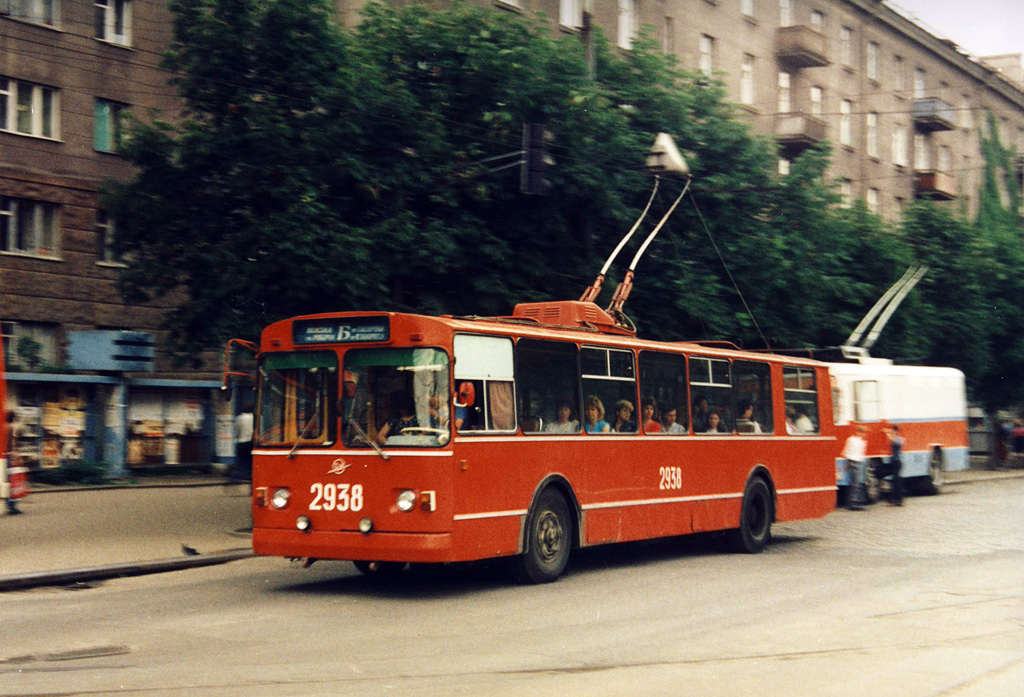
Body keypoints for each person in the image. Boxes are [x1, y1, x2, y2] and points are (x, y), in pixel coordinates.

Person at [841, 426, 868, 510]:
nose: (863, 434)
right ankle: (853, 503)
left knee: (856, 483)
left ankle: (853, 502)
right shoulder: (854, 440)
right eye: (862, 432)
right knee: (857, 483)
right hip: (855, 461)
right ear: (859, 432)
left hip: (855, 461)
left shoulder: (854, 440)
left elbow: (845, 452)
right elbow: (846, 452)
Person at [3, 411, 23, 515]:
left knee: (5, 481)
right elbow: (11, 445)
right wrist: (15, 455)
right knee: (11, 483)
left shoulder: (3, 427)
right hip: (8, 456)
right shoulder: (10, 428)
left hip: (3, 457)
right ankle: (11, 506)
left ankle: (9, 505)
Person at [881, 424, 905, 506]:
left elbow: (892, 439)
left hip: (896, 462)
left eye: (893, 430)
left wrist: (886, 432)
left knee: (896, 482)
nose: (892, 432)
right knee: (896, 481)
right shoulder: (899, 438)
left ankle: (897, 500)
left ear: (896, 431)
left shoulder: (899, 439)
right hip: (896, 461)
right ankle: (898, 500)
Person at [232, 402, 254, 483]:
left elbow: (236, 430)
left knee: (241, 462)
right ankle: (249, 476)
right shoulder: (255, 417)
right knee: (250, 462)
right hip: (251, 443)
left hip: (241, 442)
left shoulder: (239, 418)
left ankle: (235, 477)